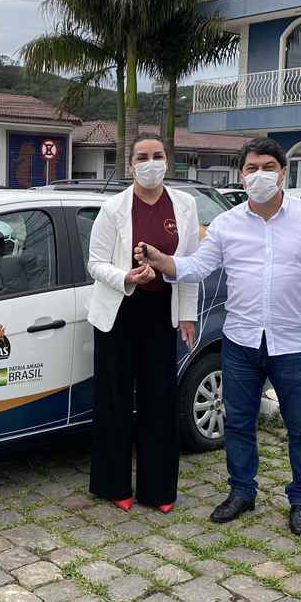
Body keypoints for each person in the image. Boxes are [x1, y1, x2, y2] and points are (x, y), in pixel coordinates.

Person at [138, 137, 301, 536]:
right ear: (241, 175)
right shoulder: (226, 224)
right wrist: (162, 261)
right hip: (241, 342)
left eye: (268, 167)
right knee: (237, 422)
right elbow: (198, 267)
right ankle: (242, 491)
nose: (259, 175)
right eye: (251, 169)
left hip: (293, 344)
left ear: (283, 172)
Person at [86, 134, 200, 512]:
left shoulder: (184, 205)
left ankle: (159, 490)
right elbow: (95, 262)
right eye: (142, 157)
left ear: (167, 161)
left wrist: (188, 315)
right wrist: (127, 278)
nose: (151, 163)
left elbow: (190, 267)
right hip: (119, 312)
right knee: (114, 399)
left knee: (159, 401)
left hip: (161, 314)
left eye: (157, 156)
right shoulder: (113, 208)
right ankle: (113, 484)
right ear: (130, 164)